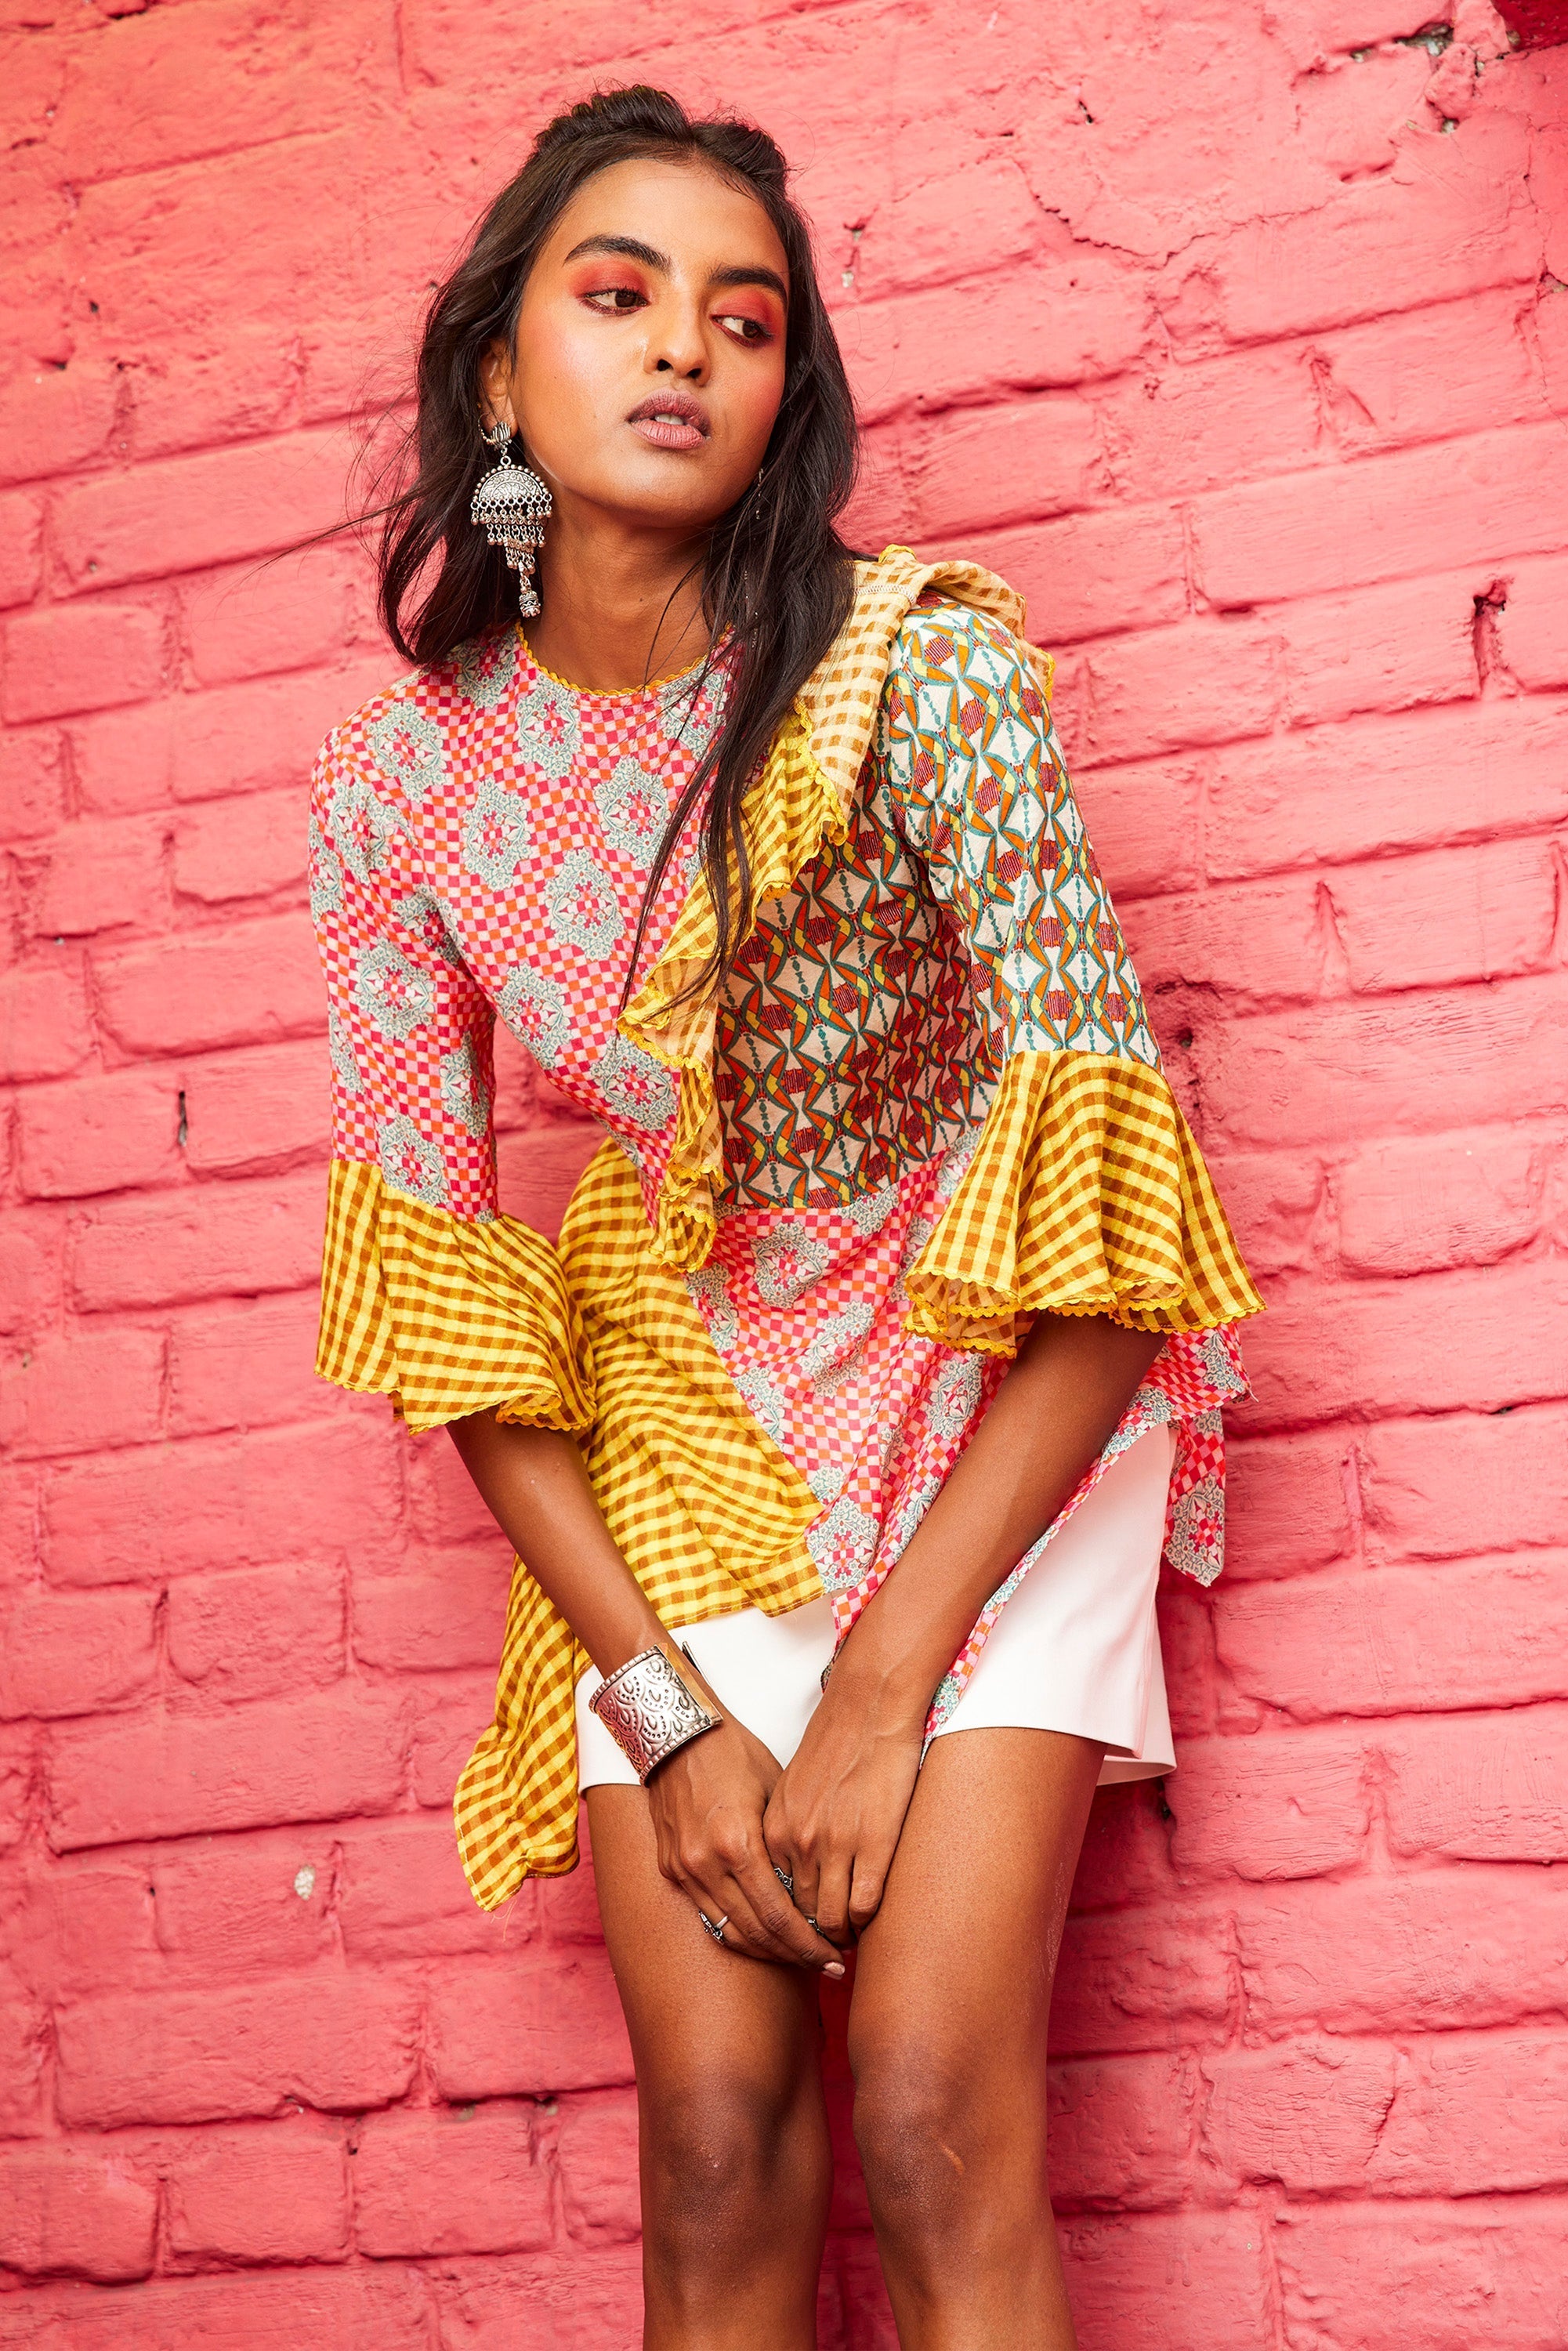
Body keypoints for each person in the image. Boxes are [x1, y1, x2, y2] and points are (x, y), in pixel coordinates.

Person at [307, 85, 1262, 2351]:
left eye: (744, 321)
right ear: (496, 371)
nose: (683, 348)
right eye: (618, 295)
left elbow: (1121, 1237)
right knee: (719, 2141)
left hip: (999, 1393)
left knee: (931, 2112)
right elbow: (453, 1313)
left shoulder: (918, 667)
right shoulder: (395, 786)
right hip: (691, 1416)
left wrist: (878, 1688)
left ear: (784, 393)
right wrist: (663, 1704)